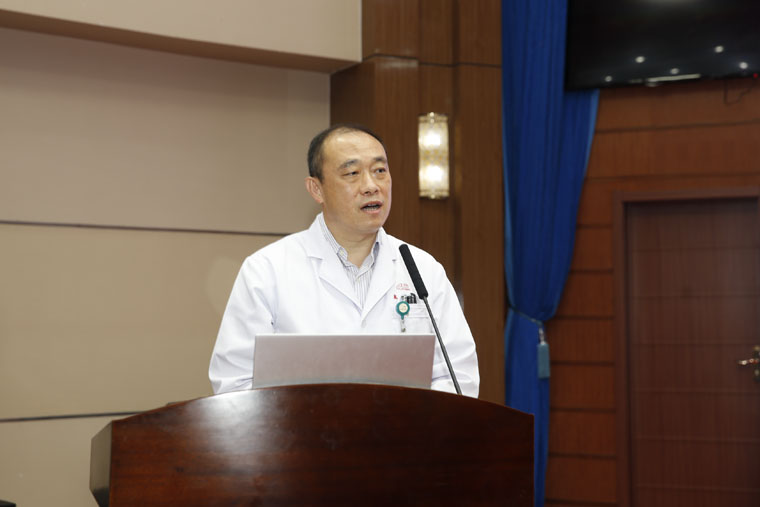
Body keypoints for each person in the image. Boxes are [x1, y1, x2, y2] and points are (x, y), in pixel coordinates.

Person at [209, 124, 479, 397]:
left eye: (380, 171)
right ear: (317, 189)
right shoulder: (267, 270)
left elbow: (458, 377)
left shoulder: (423, 269)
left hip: (406, 426)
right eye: (352, 173)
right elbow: (236, 383)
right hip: (300, 426)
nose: (371, 186)